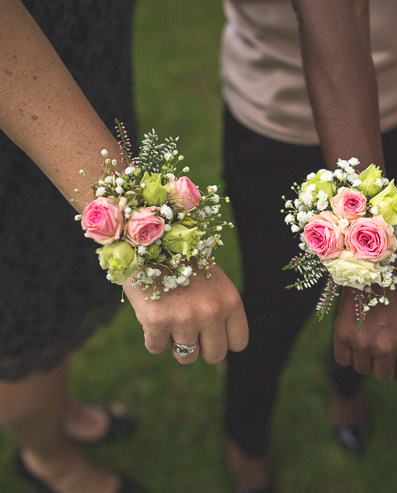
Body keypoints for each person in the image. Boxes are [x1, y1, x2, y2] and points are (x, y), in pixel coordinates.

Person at [0, 1, 249, 492]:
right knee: (19, 328)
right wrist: (154, 249)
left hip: (82, 66)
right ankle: (49, 459)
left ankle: (56, 409)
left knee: (60, 288)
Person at [219, 0, 397, 490]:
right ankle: (246, 438)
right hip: (288, 105)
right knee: (274, 304)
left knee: (373, 306)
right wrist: (376, 265)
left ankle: (348, 383)